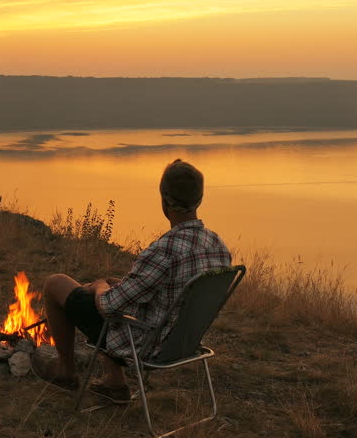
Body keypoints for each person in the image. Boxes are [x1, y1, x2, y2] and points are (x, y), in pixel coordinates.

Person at [35, 159, 232, 403]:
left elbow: (109, 306)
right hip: (184, 342)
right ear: (199, 200)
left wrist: (99, 286)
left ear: (164, 200)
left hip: (147, 344)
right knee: (118, 292)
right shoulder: (218, 247)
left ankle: (66, 371)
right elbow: (173, 293)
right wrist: (121, 285)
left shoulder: (164, 250)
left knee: (57, 283)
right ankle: (114, 384)